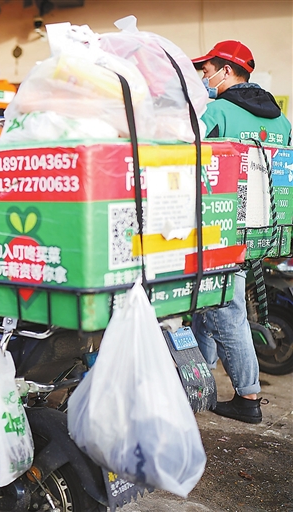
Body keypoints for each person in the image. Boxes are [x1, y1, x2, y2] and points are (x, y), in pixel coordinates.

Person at [191, 40, 292, 423]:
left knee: (225, 310)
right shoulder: (282, 122)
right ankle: (197, 384)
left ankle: (248, 397)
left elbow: (186, 152)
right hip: (263, 228)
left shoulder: (217, 110)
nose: (205, 78)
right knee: (206, 307)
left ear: (227, 71)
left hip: (221, 227)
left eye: (207, 71)